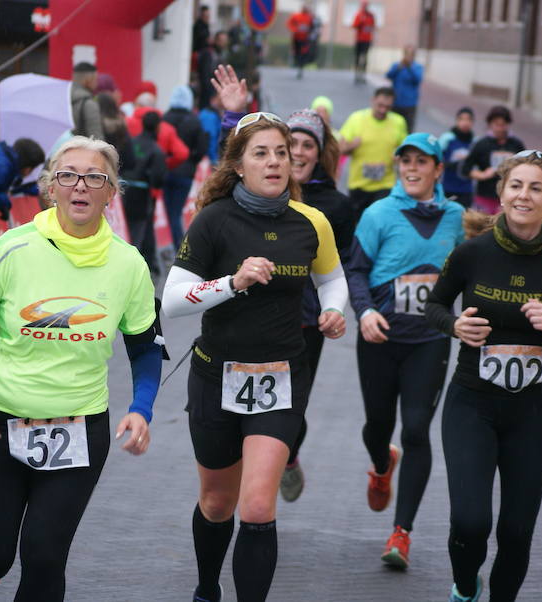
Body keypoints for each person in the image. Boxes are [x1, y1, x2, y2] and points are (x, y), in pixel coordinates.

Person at [0, 136, 164, 602]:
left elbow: (145, 349)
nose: (80, 185)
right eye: (67, 175)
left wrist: (141, 407)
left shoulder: (130, 266)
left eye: (95, 177)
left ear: (111, 193)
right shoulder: (10, 251)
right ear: (50, 188)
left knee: (45, 556)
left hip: (79, 427)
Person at [161, 110, 348, 602]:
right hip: (214, 378)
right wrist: (232, 282)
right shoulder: (213, 220)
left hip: (281, 378)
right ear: (238, 165)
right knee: (218, 501)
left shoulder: (311, 222)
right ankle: (206, 588)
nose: (274, 162)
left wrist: (332, 309)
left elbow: (332, 277)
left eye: (281, 153)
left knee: (259, 505)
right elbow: (173, 301)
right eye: (260, 153)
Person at [424, 150, 542, 602]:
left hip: (533, 412)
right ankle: (465, 588)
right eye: (516, 185)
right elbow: (434, 306)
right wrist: (454, 325)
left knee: (517, 530)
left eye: (536, 187)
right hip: (471, 404)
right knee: (470, 521)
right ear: (500, 194)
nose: (524, 195)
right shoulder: (470, 253)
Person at [347, 132, 465, 570]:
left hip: (429, 342)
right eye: (406, 161)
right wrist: (363, 312)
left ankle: (402, 533)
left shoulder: (457, 218)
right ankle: (382, 464)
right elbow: (355, 270)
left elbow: (472, 269)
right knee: (378, 427)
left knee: (416, 430)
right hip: (379, 340)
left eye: (422, 161)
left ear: (438, 169)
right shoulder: (378, 213)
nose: (412, 168)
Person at [279, 109, 355, 502]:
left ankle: (288, 457)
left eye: (308, 144)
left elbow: (345, 269)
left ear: (320, 153)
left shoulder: (337, 207)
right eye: (291, 142)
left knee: (294, 407)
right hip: (264, 315)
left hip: (309, 322)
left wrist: (339, 307)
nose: (298, 151)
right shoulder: (265, 192)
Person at [339, 87, 407, 221]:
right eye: (380, 105)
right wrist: (352, 146)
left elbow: (404, 150)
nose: (383, 110)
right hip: (359, 183)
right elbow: (340, 149)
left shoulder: (399, 122)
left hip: (385, 184)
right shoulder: (356, 118)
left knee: (381, 221)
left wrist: (399, 156)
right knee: (357, 224)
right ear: (373, 101)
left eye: (387, 107)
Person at [163, 85, 209, 246]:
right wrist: (192, 160)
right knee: (176, 212)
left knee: (169, 212)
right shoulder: (194, 121)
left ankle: (173, 244)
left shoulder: (165, 118)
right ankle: (178, 246)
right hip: (185, 173)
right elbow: (203, 147)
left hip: (166, 170)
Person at [123, 111, 167, 274]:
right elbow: (158, 178)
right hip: (141, 195)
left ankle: (150, 264)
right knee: (137, 233)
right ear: (157, 127)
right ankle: (131, 270)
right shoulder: (157, 151)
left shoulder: (132, 142)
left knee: (132, 230)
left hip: (123, 191)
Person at [461, 105, 525, 215]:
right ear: (490, 124)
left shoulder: (516, 144)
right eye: (496, 125)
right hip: (485, 195)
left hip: (509, 196)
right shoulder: (482, 144)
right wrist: (482, 175)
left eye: (503, 125)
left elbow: (526, 167)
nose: (499, 129)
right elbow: (465, 169)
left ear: (508, 124)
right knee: (483, 228)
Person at [438, 107, 476, 207]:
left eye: (468, 119)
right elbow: (437, 160)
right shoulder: (447, 139)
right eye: (462, 119)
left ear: (472, 122)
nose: (465, 123)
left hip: (466, 191)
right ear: (456, 121)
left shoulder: (475, 143)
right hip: (447, 188)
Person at [385, 45, 423, 133]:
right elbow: (388, 76)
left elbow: (417, 80)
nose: (408, 56)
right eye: (407, 53)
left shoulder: (417, 67)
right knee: (392, 126)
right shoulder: (397, 65)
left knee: (408, 128)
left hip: (410, 103)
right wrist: (398, 68)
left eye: (411, 54)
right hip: (395, 101)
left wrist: (410, 68)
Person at [71, 62, 104, 139]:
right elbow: (96, 137)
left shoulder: (64, 98)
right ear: (88, 79)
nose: (97, 83)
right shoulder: (89, 104)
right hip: (83, 148)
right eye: (96, 79)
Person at [198, 31, 229, 111]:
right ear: (216, 41)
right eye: (222, 41)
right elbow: (205, 76)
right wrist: (212, 94)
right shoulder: (209, 54)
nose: (224, 43)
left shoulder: (220, 54)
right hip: (208, 95)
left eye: (225, 41)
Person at [287, 5, 314, 79]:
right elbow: (289, 23)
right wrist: (294, 29)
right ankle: (298, 64)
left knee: (304, 53)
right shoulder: (296, 16)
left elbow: (312, 27)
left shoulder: (310, 17)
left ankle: (301, 67)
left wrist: (310, 33)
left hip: (305, 39)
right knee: (297, 53)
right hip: (297, 38)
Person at [352, 1, 376, 84]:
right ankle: (357, 75)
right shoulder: (359, 15)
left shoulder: (371, 16)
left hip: (367, 40)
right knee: (358, 57)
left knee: (365, 57)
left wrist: (372, 39)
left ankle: (363, 75)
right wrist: (360, 22)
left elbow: (372, 28)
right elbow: (354, 26)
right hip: (359, 40)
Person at [199, 93, 223, 164]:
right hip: (210, 159)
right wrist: (213, 159)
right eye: (220, 99)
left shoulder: (214, 114)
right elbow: (210, 137)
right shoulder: (209, 116)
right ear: (213, 100)